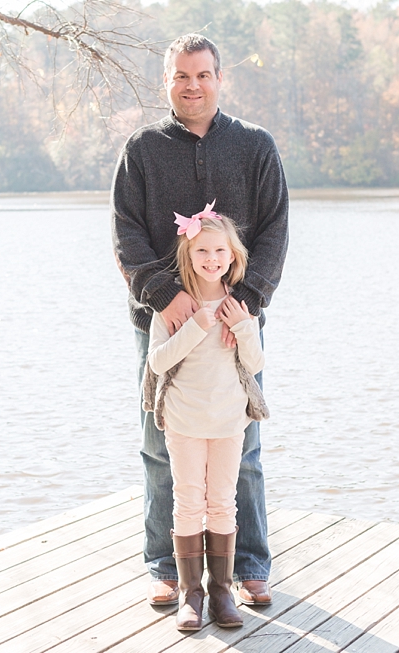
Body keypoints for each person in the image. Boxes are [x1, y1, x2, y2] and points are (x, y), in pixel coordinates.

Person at [111, 33, 289, 610]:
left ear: (219, 78)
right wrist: (165, 294)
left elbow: (275, 231)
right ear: (167, 81)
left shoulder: (255, 146)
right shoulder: (141, 150)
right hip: (163, 322)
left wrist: (248, 302)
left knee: (245, 445)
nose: (193, 86)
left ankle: (249, 564)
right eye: (182, 76)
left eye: (203, 75)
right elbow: (126, 235)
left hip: (235, 323)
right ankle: (167, 566)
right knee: (162, 444)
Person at [142, 207, 268, 630]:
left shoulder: (238, 305)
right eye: (202, 251)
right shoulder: (177, 306)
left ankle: (220, 592)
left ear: (232, 256)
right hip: (184, 420)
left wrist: (243, 326)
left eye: (219, 250)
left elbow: (255, 361)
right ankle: (191, 596)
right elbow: (158, 361)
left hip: (229, 420)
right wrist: (195, 325)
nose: (211, 258)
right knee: (187, 500)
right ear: (188, 254)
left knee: (222, 502)